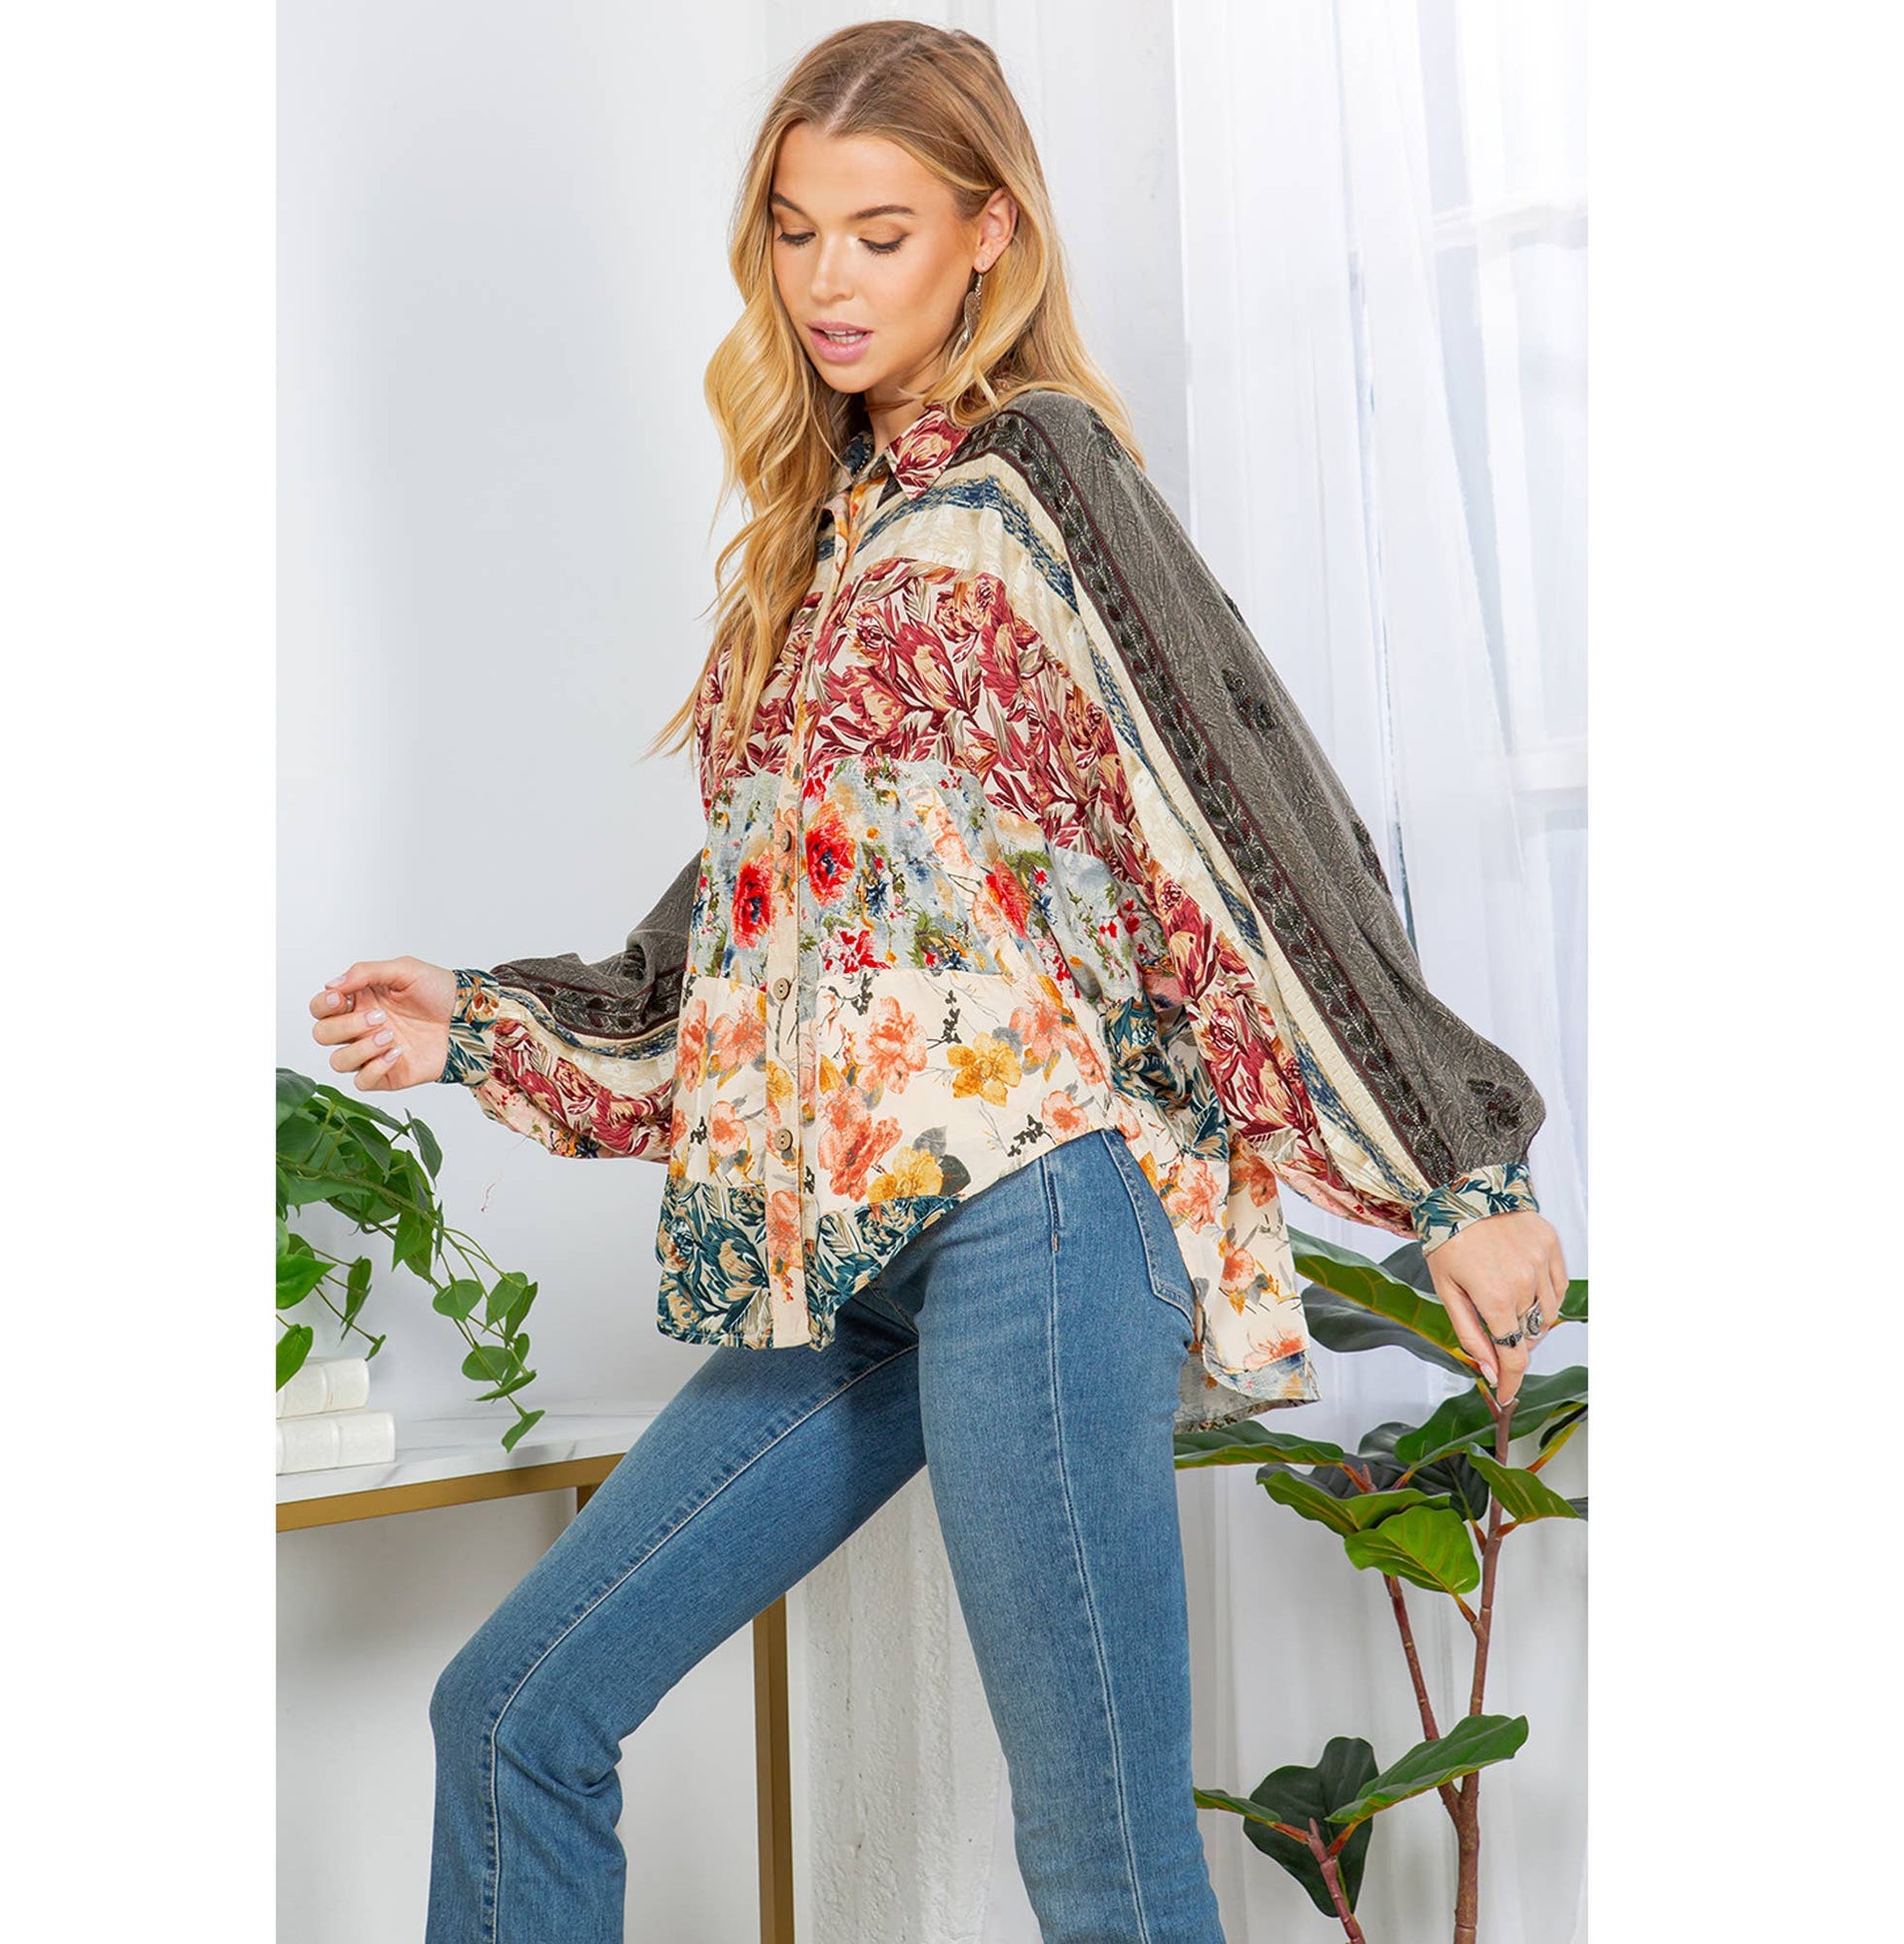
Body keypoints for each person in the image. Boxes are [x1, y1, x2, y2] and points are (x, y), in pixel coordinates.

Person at [306, 21, 1569, 1942]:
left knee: (1101, 1856)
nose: (827, 279)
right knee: (513, 1710)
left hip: (1032, 1219)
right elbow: (755, 934)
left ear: (989, 234)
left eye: (879, 232)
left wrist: (1457, 1169)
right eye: (796, 230)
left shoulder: (1035, 479)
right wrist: (480, 1017)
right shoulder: (830, 541)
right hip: (844, 1240)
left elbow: (1250, 811)